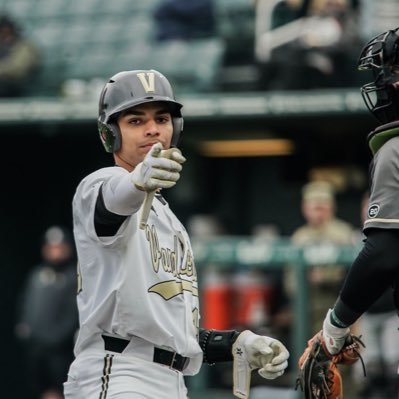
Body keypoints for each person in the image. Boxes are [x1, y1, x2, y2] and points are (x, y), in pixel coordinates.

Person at [63, 69, 289, 399]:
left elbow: (165, 329)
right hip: (120, 373)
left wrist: (233, 342)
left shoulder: (168, 217)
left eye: (163, 118)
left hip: (171, 380)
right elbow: (114, 198)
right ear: (110, 134)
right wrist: (138, 179)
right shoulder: (98, 185)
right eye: (135, 121)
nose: (153, 129)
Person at [299, 26, 399, 397]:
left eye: (388, 71)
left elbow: (384, 253)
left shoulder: (394, 149)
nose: (384, 81)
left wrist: (333, 330)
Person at [15, 225, 78, 399]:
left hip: (61, 352)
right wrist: (25, 329)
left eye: (59, 247)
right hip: (36, 350)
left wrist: (55, 339)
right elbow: (25, 304)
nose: (55, 252)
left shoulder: (74, 277)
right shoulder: (37, 275)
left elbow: (74, 316)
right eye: (51, 247)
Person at [0, 14, 40, 97]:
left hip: (16, 87)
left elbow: (17, 69)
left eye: (7, 32)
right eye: (2, 33)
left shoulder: (25, 47)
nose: (5, 37)